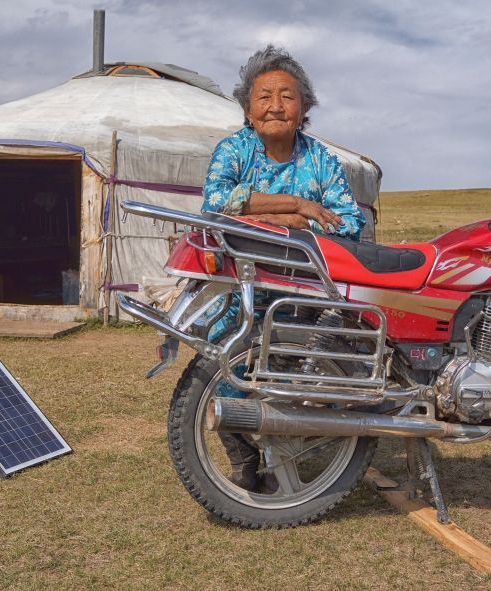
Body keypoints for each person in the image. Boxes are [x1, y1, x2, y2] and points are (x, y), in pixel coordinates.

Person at [200, 45, 365, 492]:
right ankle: (243, 458)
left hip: (308, 290)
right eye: (264, 96)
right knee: (221, 362)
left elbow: (351, 222)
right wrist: (294, 208)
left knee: (317, 364)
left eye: (287, 96)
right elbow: (215, 202)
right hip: (246, 285)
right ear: (248, 110)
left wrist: (263, 216)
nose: (276, 106)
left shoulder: (321, 160)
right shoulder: (235, 150)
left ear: (304, 107)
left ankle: (299, 439)